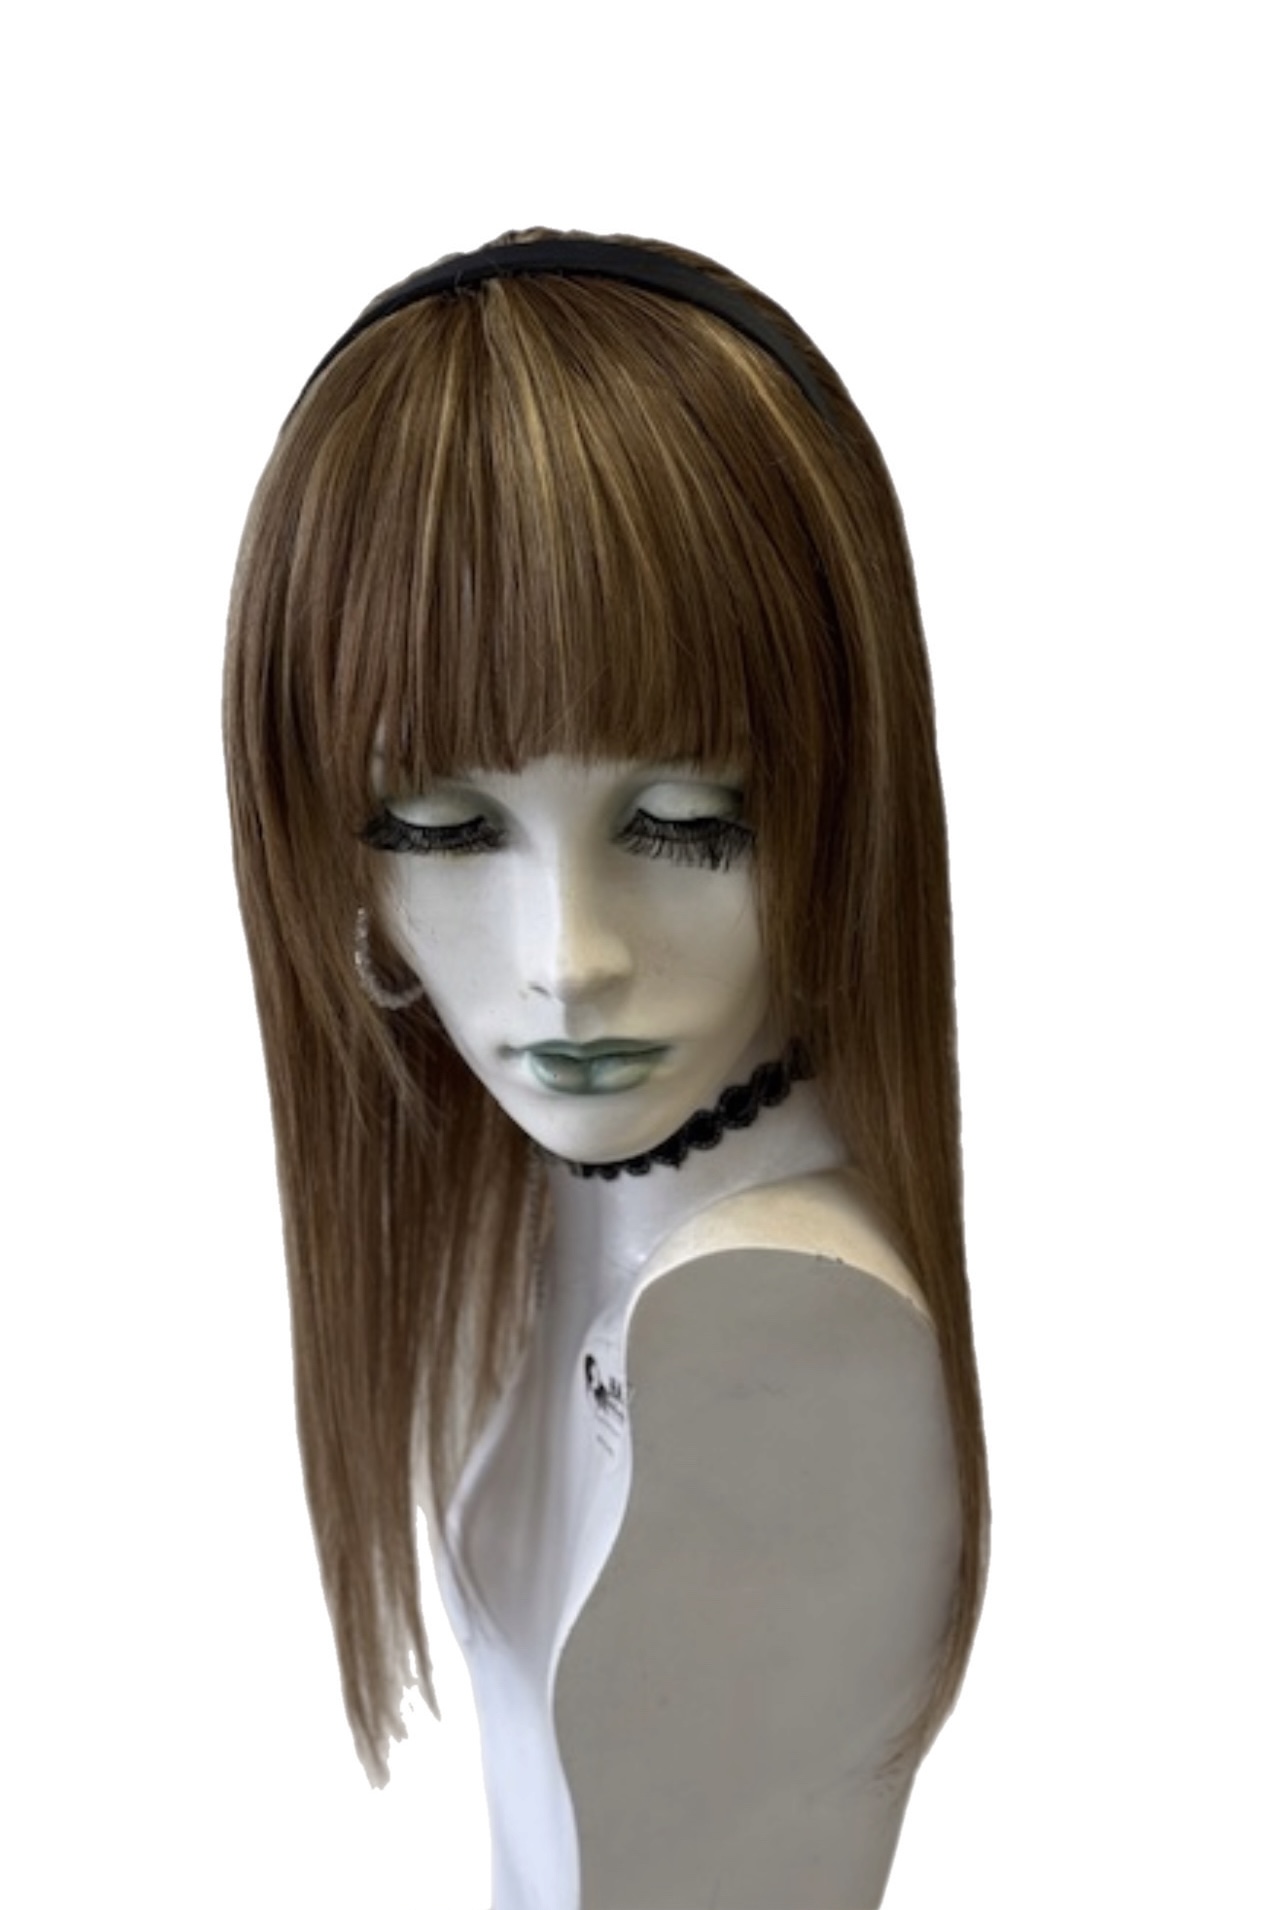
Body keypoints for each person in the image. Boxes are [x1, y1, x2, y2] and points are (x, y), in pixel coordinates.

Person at [224, 229, 989, 1908]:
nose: (566, 952)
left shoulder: (766, 1322)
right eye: (444, 827)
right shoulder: (562, 1195)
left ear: (841, 798)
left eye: (683, 821)